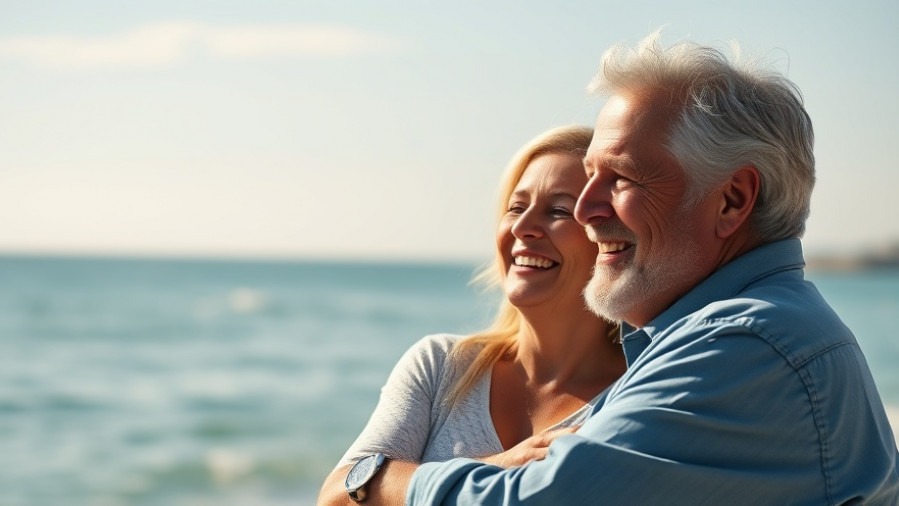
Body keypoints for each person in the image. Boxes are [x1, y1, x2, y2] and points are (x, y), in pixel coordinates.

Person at [341, 32, 899, 505]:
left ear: (731, 200)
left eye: (622, 179)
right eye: (589, 177)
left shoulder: (746, 344)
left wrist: (384, 477)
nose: (587, 210)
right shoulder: (714, 338)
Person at [316, 125, 627, 505]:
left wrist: (394, 483)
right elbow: (336, 496)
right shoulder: (443, 366)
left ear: (609, 241)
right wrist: (496, 469)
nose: (523, 227)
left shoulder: (633, 395)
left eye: (558, 210)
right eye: (516, 207)